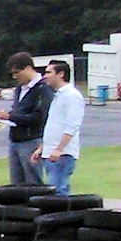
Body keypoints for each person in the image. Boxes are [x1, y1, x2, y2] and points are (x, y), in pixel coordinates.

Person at [0, 53, 52, 185]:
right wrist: (1, 117)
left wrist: (10, 116)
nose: (15, 76)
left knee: (33, 180)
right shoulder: (20, 88)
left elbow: (39, 117)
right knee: (16, 182)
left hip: (31, 140)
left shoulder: (43, 88)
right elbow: (18, 111)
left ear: (28, 68)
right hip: (15, 139)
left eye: (17, 72)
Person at [31, 59, 84, 195]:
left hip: (62, 154)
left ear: (61, 74)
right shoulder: (58, 96)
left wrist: (59, 149)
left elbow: (72, 125)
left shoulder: (72, 96)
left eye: (49, 72)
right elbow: (54, 125)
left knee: (58, 192)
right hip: (51, 152)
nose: (45, 76)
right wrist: (42, 148)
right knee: (52, 192)